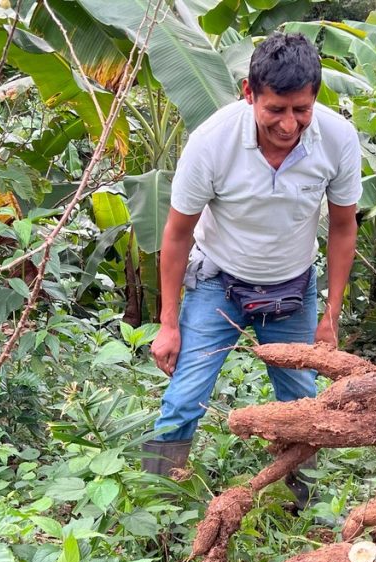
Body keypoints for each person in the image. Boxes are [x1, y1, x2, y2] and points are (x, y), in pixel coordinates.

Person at [143, 32, 362, 505]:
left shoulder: (338, 140)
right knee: (184, 398)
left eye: (301, 109)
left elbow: (344, 227)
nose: (289, 124)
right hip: (217, 284)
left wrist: (331, 314)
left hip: (292, 292)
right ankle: (156, 503)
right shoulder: (211, 143)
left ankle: (303, 506)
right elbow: (177, 233)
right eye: (275, 110)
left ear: (316, 97)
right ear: (249, 93)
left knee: (303, 406)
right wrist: (168, 323)